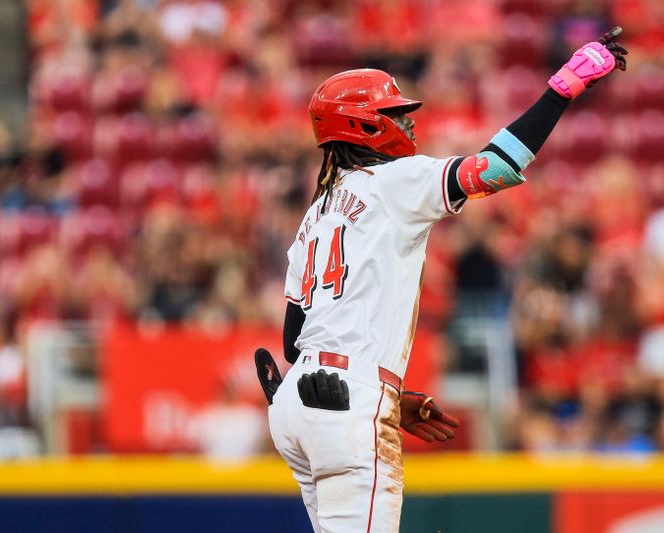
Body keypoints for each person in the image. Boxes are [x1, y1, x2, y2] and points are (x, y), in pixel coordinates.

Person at [256, 28, 628, 533]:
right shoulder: (393, 182)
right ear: (363, 127)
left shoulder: (315, 214)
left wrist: (380, 396)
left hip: (297, 405)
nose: (407, 122)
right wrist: (561, 89)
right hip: (347, 403)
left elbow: (292, 341)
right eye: (393, 114)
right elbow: (498, 168)